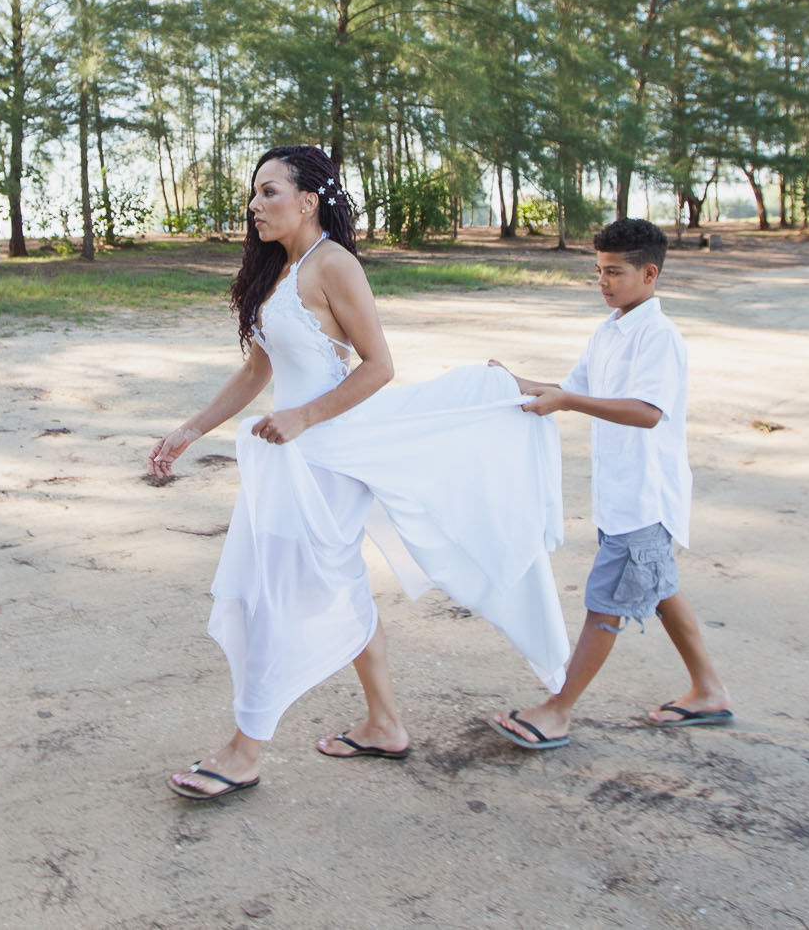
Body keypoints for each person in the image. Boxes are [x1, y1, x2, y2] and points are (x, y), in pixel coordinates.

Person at [148, 145, 570, 801]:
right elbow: (259, 372)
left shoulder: (333, 265)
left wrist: (305, 417)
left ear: (309, 199)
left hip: (326, 451)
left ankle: (244, 749)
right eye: (254, 194)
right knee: (329, 580)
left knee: (277, 593)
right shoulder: (280, 271)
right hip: (296, 454)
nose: (254, 205)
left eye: (268, 192)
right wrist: (188, 431)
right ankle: (384, 722)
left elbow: (379, 365)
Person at [487, 217, 732, 750]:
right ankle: (709, 690)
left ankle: (558, 710)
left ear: (649, 274)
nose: (603, 282)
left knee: (606, 604)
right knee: (661, 588)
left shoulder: (659, 338)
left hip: (645, 498)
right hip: (622, 496)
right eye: (598, 271)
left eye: (614, 272)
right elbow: (569, 389)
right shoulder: (611, 330)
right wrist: (510, 381)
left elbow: (646, 412)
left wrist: (568, 401)